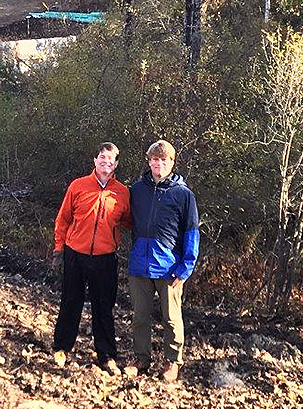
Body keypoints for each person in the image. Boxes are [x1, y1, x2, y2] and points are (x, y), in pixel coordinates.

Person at [51, 143, 131, 374]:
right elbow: (63, 220)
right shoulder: (78, 186)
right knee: (70, 302)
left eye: (111, 159)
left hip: (105, 259)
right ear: (94, 160)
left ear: (116, 164)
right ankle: (62, 348)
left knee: (103, 307)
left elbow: (129, 222)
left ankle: (106, 355)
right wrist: (59, 250)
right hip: (75, 254)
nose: (107, 162)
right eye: (102, 157)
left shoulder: (122, 192)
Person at [125, 140, 199, 382]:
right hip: (139, 265)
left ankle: (172, 362)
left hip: (169, 268)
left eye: (164, 160)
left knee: (171, 318)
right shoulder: (136, 190)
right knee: (140, 316)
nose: (159, 164)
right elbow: (125, 221)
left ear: (172, 162)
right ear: (149, 162)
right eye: (155, 160)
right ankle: (141, 359)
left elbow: (191, 233)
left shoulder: (183, 195)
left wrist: (185, 267)